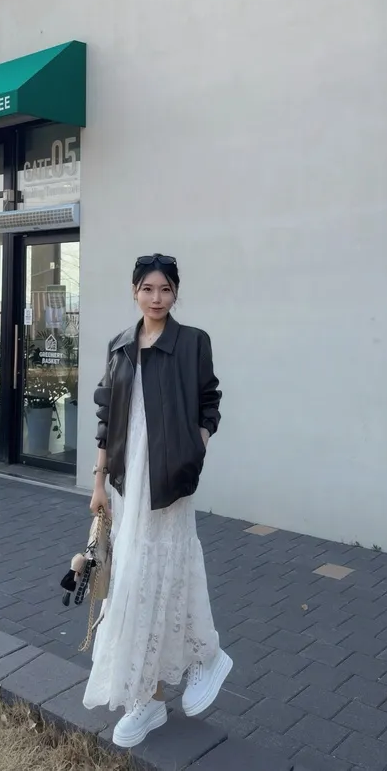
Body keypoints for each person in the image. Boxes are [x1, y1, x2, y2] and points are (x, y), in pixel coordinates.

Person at [82, 254, 232, 748]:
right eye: (147, 288)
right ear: (134, 292)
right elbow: (105, 420)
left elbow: (209, 403)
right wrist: (99, 483)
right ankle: (149, 696)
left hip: (169, 484)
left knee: (167, 573)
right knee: (133, 580)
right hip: (128, 483)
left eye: (165, 289)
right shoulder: (119, 346)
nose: (156, 298)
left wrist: (193, 448)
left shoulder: (193, 342)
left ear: (175, 293)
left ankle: (200, 658)